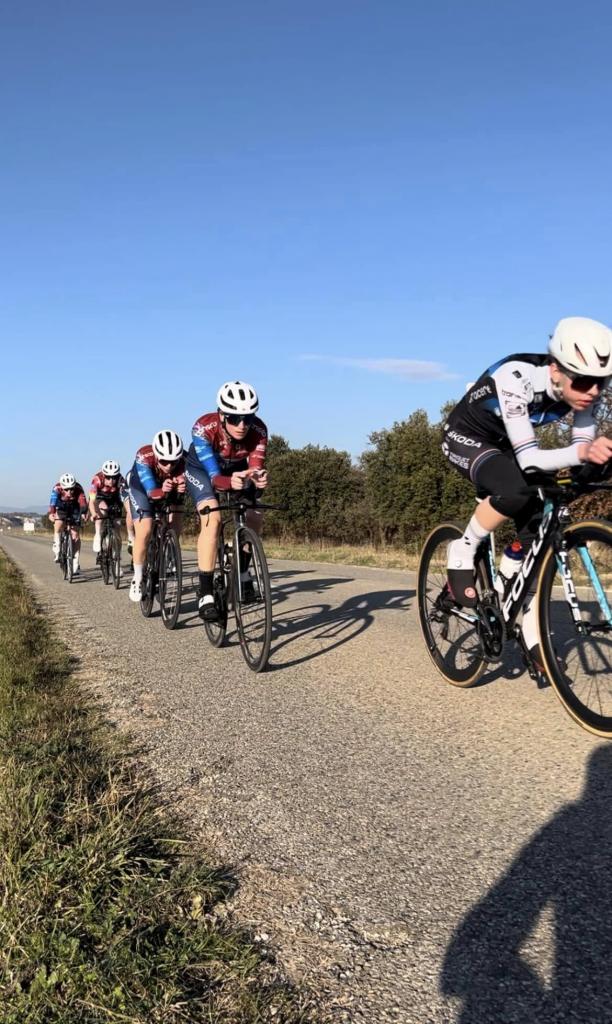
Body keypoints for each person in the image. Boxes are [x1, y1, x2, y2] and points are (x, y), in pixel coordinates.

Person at [442, 316, 612, 666]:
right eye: (583, 381)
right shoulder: (516, 377)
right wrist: (585, 452)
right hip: (468, 436)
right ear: (556, 370)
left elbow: (579, 451)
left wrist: (595, 463)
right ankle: (464, 547)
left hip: (507, 442)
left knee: (540, 520)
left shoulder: (585, 395)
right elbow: (532, 459)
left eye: (602, 382)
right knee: (515, 490)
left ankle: (524, 619)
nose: (593, 392)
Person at [185, 380, 268, 620]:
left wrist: (258, 479)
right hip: (202, 470)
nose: (242, 425)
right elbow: (215, 478)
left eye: (248, 418)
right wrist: (229, 482)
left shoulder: (259, 430)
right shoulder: (203, 428)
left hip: (236, 469)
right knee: (213, 519)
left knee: (254, 516)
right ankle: (205, 592)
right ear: (222, 415)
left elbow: (254, 468)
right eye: (234, 418)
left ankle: (242, 572)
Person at [127, 430, 186, 602]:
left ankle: (168, 550)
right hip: (142, 488)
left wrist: (183, 484)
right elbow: (152, 491)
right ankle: (137, 577)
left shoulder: (185, 459)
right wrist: (163, 489)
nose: (169, 466)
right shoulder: (144, 456)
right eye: (164, 461)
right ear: (157, 455)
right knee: (145, 529)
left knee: (177, 516)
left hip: (168, 487)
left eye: (174, 461)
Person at [48, 473, 88, 576]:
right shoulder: (57, 488)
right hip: (61, 507)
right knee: (58, 524)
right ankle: (57, 545)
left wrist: (84, 513)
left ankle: (75, 560)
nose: (69, 492)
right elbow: (53, 502)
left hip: (74, 507)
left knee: (75, 535)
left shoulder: (78, 488)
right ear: (62, 487)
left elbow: (83, 502)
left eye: (71, 489)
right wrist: (52, 513)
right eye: (66, 490)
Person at [88, 460, 128, 560]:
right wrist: (93, 513)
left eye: (114, 477)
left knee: (117, 526)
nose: (111, 480)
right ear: (103, 475)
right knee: (102, 509)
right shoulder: (97, 479)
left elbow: (126, 498)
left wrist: (129, 513)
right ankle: (98, 535)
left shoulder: (121, 480)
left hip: (115, 499)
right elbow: (92, 501)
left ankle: (117, 556)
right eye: (108, 477)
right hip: (100, 498)